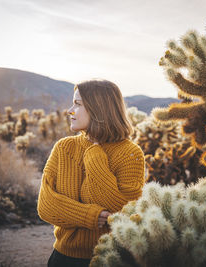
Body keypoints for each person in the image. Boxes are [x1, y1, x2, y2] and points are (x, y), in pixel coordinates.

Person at [37, 79, 146, 267]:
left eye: (77, 104)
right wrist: (90, 216)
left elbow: (122, 210)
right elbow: (47, 205)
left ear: (98, 109)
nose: (70, 110)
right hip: (63, 258)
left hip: (112, 259)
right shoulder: (64, 148)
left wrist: (95, 156)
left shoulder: (130, 153)